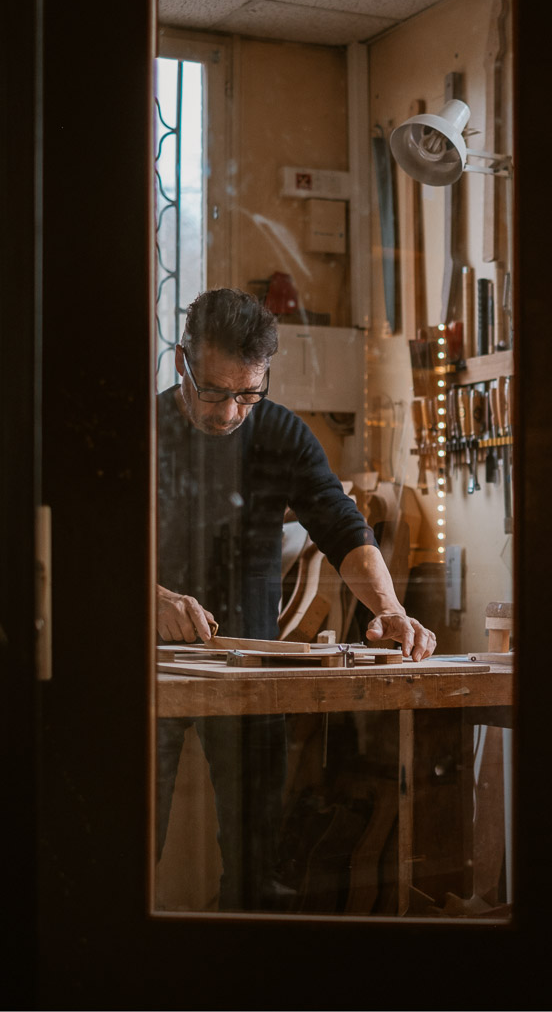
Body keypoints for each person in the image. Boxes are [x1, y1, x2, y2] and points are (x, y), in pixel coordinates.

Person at [155, 288, 435, 910]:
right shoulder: (143, 433)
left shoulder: (281, 433)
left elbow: (341, 527)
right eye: (215, 391)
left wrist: (388, 608)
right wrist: (151, 598)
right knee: (128, 850)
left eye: (247, 394)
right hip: (151, 671)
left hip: (248, 670)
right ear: (182, 363)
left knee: (255, 871)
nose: (230, 412)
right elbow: (89, 545)